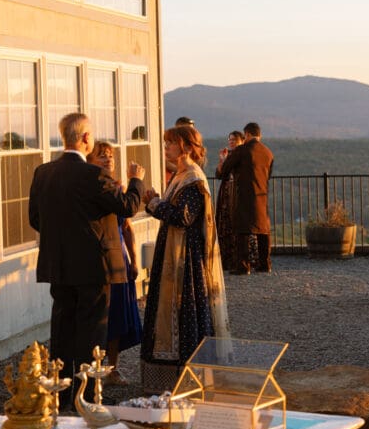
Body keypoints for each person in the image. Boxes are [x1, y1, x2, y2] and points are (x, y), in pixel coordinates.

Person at [28, 113, 145, 404]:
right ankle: (87, 397)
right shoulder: (94, 176)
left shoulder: (42, 173)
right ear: (84, 139)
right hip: (94, 268)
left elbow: (35, 219)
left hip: (58, 266)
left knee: (62, 329)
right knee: (91, 333)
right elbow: (127, 206)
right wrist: (136, 181)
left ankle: (62, 392)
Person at [141, 125, 231, 393]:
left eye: (171, 142)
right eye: (166, 142)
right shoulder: (180, 175)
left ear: (187, 147)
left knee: (186, 312)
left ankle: (188, 379)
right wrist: (156, 201)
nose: (166, 147)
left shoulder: (192, 178)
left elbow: (184, 217)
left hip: (185, 262)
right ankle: (168, 380)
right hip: (172, 254)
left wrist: (155, 203)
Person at [86, 141, 143, 385]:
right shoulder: (95, 188)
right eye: (102, 156)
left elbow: (127, 226)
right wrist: (135, 182)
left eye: (110, 156)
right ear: (90, 160)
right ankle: (96, 368)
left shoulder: (117, 187)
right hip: (102, 260)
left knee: (119, 315)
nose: (108, 159)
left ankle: (113, 368)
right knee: (102, 316)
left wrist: (134, 258)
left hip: (121, 257)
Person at [217, 122, 274, 274]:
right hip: (262, 194)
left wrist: (223, 160)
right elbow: (268, 175)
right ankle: (265, 264)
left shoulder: (242, 150)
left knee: (242, 230)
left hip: (243, 195)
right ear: (259, 135)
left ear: (247, 134)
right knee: (263, 230)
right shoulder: (268, 153)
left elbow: (224, 172)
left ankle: (243, 266)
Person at [215, 130, 248, 271]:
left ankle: (237, 258)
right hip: (226, 192)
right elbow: (219, 174)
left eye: (234, 139)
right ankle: (226, 258)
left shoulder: (242, 155)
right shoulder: (228, 155)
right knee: (225, 222)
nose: (231, 142)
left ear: (241, 141)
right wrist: (222, 160)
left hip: (237, 192)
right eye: (230, 139)